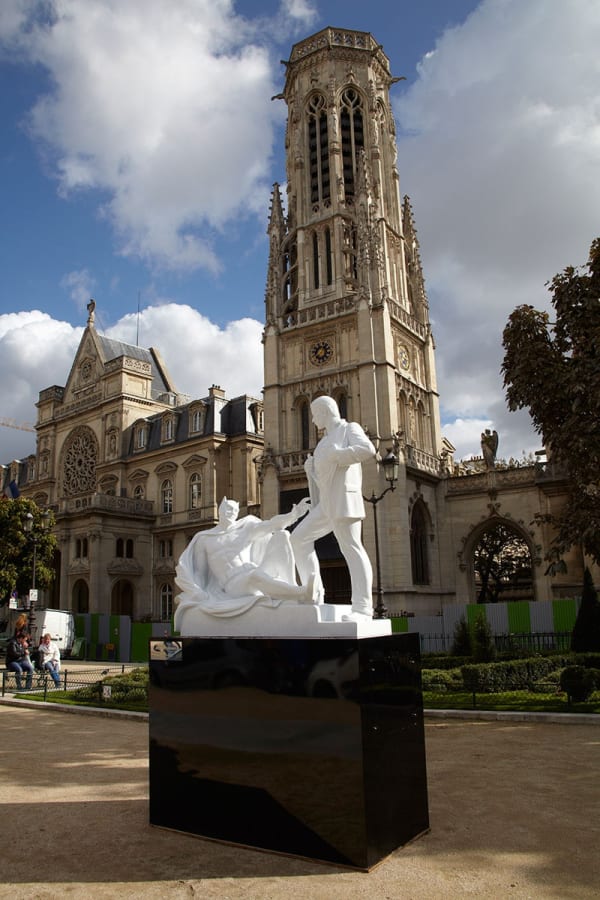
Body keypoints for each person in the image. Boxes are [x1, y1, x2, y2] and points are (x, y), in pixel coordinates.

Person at [291, 395, 376, 620]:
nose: (312, 420)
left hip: (344, 500)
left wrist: (338, 455)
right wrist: (311, 472)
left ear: (325, 412)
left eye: (314, 414)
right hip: (327, 504)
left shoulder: (349, 429)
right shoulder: (321, 444)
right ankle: (314, 593)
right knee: (298, 538)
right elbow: (324, 480)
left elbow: (367, 449)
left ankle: (363, 607)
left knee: (352, 548)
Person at [175, 496, 315, 623]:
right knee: (254, 576)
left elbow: (271, 525)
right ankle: (302, 593)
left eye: (235, 510)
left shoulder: (244, 528)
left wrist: (294, 515)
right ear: (220, 509)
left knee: (282, 536)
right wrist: (198, 593)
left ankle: (292, 589)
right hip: (233, 585)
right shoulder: (204, 539)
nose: (232, 512)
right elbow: (200, 572)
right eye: (228, 509)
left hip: (252, 572)